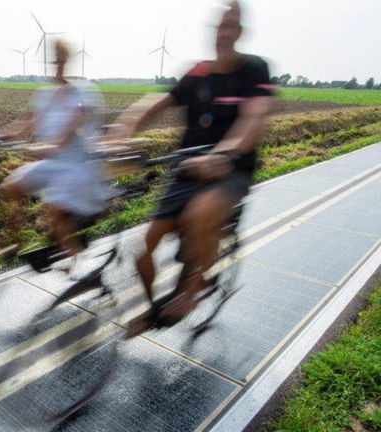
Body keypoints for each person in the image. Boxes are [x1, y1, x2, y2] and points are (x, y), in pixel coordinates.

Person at [108, 1, 274, 330]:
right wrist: (123, 129)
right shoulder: (197, 72)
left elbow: (253, 119)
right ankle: (154, 308)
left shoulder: (254, 70)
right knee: (142, 247)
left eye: (230, 27)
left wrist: (223, 155)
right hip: (186, 169)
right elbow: (157, 101)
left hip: (230, 170)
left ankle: (191, 288)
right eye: (219, 27)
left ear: (239, 33)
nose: (223, 34)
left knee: (200, 213)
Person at [0, 39, 106, 263]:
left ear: (68, 61)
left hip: (79, 165)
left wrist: (57, 143)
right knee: (9, 189)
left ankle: (84, 267)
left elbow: (77, 120)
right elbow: (30, 122)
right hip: (54, 162)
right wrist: (5, 136)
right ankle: (16, 244)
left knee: (54, 213)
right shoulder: (45, 94)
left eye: (61, 61)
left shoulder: (82, 91)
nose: (57, 66)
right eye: (54, 61)